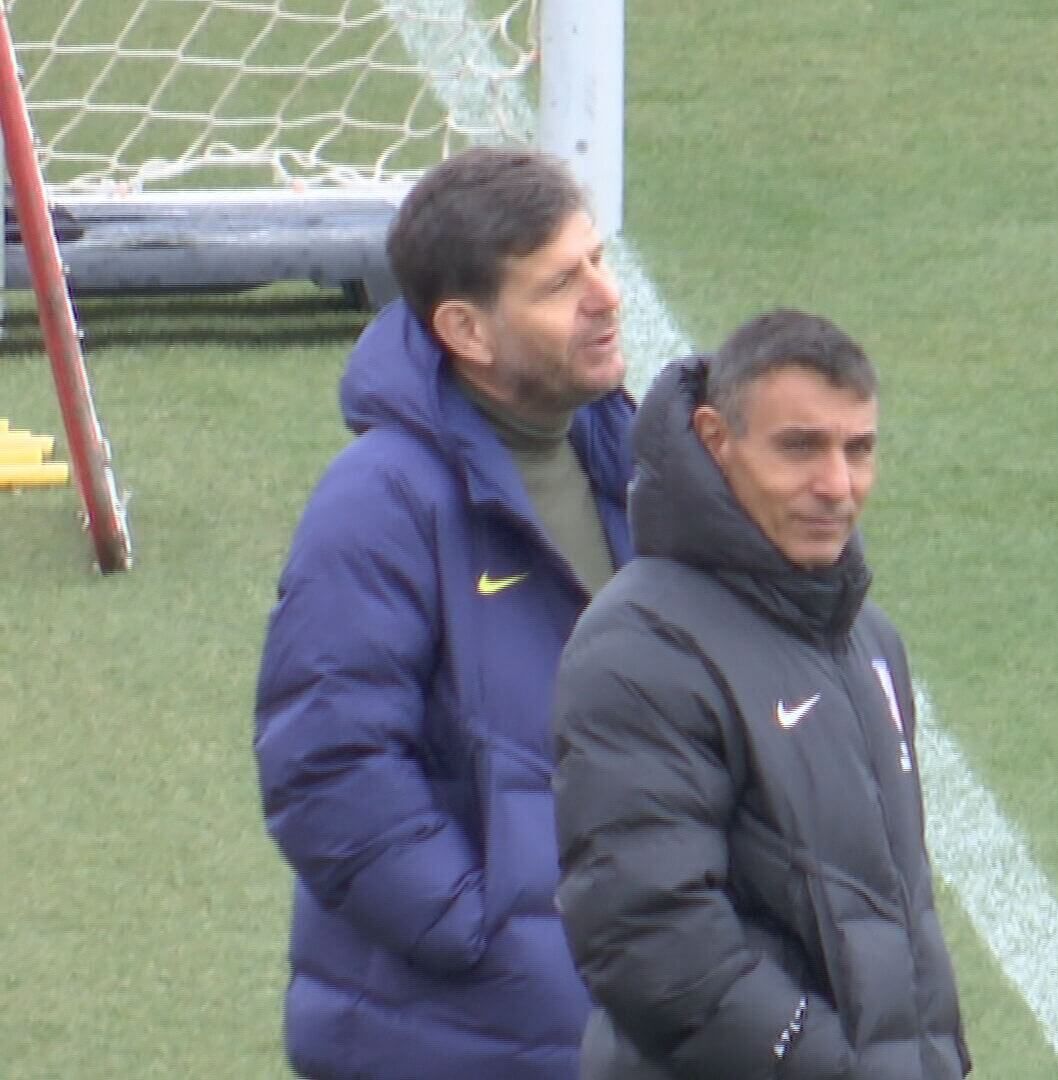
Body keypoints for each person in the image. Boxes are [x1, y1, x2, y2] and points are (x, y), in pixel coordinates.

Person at [253, 146, 634, 1080]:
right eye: (560, 284)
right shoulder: (379, 503)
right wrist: (494, 937)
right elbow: (327, 765)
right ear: (466, 329)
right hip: (459, 1039)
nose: (606, 296)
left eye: (597, 258)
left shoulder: (634, 454)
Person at [551, 309, 971, 1079]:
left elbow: (892, 923)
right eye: (800, 447)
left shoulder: (865, 641)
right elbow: (656, 944)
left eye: (859, 449)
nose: (837, 486)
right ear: (716, 440)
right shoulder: (642, 648)